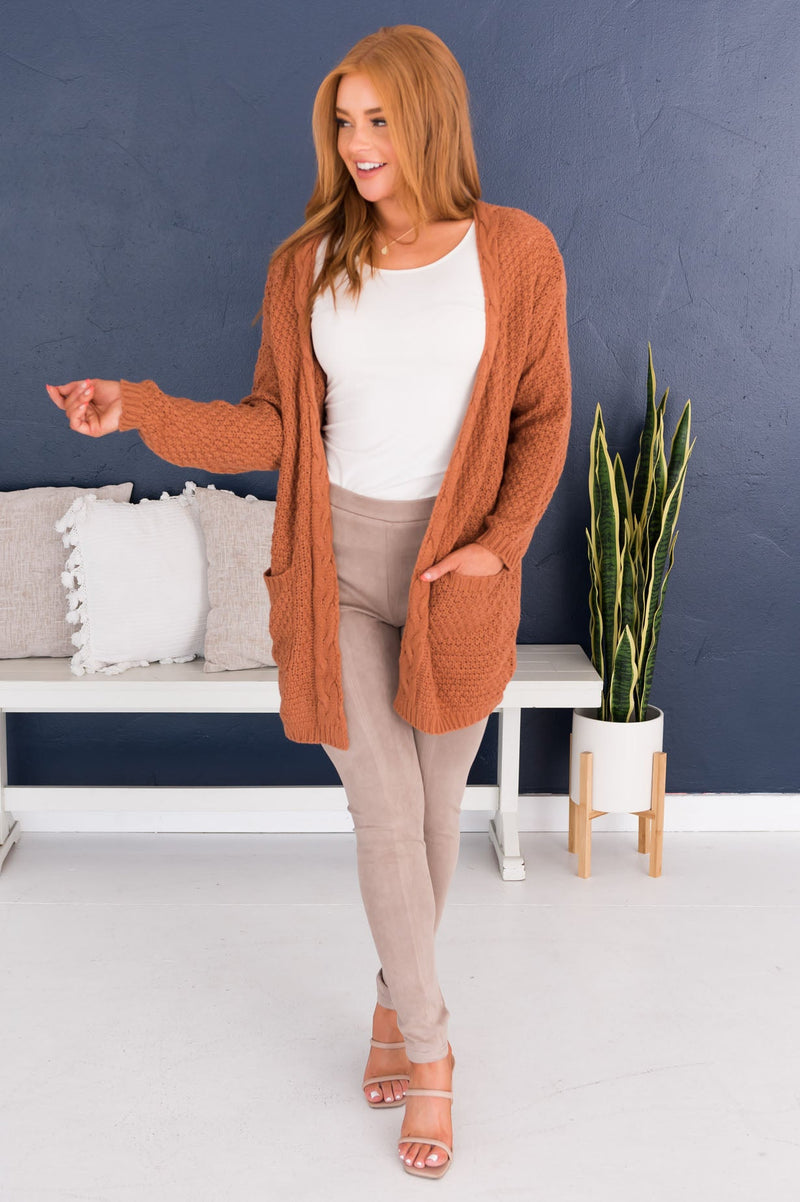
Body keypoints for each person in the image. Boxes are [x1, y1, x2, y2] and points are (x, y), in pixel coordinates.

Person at [47, 23, 571, 1181]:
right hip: (332, 563)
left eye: (377, 118)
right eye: (343, 120)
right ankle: (430, 1051)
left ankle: (390, 1001)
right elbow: (273, 427)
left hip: (453, 573)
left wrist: (496, 550)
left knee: (434, 814)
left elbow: (541, 418)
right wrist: (139, 406)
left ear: (429, 118)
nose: (356, 141)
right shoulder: (311, 261)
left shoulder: (514, 251)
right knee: (384, 811)